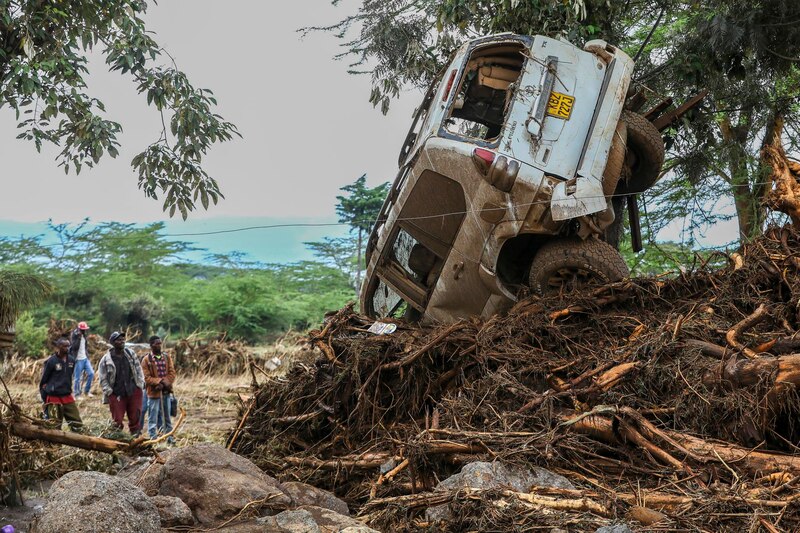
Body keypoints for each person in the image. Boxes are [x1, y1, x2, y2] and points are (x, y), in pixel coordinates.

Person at [98, 331, 144, 435]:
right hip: (117, 393)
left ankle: (136, 438)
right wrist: (109, 391)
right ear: (113, 343)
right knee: (117, 421)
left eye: (123, 340)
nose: (122, 342)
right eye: (119, 340)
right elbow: (102, 378)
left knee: (135, 417)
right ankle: (118, 440)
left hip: (133, 390)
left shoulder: (130, 354)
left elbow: (138, 369)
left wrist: (140, 384)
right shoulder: (106, 360)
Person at [39, 338, 83, 431]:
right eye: (65, 346)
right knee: (54, 425)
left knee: (77, 423)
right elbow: (44, 381)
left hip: (67, 395)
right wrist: (45, 397)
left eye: (68, 346)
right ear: (58, 347)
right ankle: (55, 445)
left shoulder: (71, 360)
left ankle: (78, 441)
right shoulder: (51, 361)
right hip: (54, 397)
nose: (67, 348)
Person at [141, 335, 176, 443]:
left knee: (167, 418)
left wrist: (164, 383)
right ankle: (153, 439)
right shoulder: (147, 360)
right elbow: (146, 378)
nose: (159, 345)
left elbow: (172, 373)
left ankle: (169, 438)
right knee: (153, 418)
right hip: (153, 393)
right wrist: (158, 382)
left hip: (166, 391)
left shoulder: (166, 357)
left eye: (160, 343)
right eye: (157, 344)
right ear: (151, 345)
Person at [69, 321, 95, 399]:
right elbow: (74, 347)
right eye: (82, 330)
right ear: (79, 329)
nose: (84, 331)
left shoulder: (84, 335)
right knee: (77, 378)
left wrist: (87, 355)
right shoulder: (74, 335)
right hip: (78, 359)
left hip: (85, 358)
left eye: (85, 330)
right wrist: (79, 338)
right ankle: (77, 394)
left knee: (91, 373)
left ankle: (86, 391)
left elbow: (85, 346)